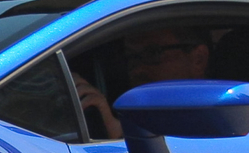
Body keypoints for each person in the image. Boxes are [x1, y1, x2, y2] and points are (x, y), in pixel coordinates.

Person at [73, 26, 213, 141]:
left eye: (153, 53)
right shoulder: (132, 112)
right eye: (132, 57)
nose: (138, 69)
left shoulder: (222, 119)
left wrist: (119, 135)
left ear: (198, 59)